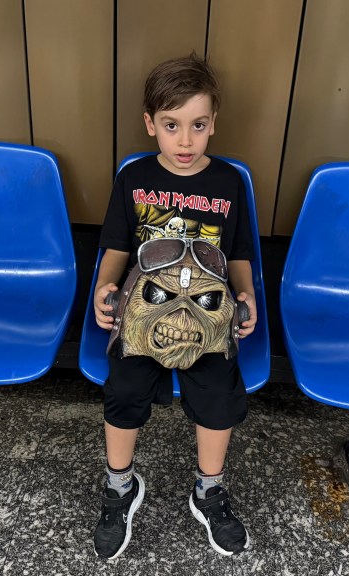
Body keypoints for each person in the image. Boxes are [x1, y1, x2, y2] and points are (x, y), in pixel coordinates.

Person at [91, 53, 257, 559]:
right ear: (150, 124)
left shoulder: (227, 182)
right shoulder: (135, 177)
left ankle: (209, 489)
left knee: (219, 390)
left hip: (206, 317)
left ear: (213, 123)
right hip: (144, 314)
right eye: (171, 125)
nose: (185, 141)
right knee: (124, 387)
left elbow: (239, 253)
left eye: (198, 125)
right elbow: (116, 247)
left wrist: (246, 295)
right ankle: (120, 485)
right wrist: (104, 289)